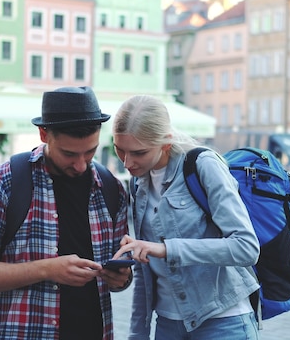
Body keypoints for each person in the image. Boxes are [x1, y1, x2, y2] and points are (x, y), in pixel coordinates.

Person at [0, 86, 131, 340]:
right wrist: (48, 269)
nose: (81, 164)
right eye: (69, 154)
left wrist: (121, 278)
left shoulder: (111, 187)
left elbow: (120, 279)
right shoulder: (5, 182)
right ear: (43, 134)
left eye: (90, 152)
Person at [111, 95, 261, 340]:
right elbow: (143, 268)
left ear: (165, 144)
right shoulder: (138, 183)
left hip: (223, 321)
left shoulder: (203, 165)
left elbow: (246, 248)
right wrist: (137, 333)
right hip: (168, 324)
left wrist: (167, 249)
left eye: (139, 152)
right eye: (120, 150)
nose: (127, 162)